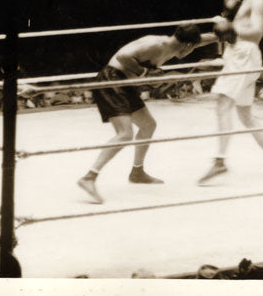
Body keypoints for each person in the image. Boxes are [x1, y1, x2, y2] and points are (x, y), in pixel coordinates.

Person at [77, 24, 218, 203]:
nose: (193, 50)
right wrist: (145, 72)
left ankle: (137, 172)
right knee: (125, 134)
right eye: (193, 48)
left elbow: (201, 40)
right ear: (187, 46)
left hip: (125, 84)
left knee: (148, 125)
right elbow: (123, 56)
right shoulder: (156, 44)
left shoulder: (177, 44)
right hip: (111, 81)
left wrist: (220, 36)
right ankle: (89, 177)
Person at [198, 0, 263, 184]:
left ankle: (219, 161)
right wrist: (230, 21)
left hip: (243, 57)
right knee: (245, 115)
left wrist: (230, 30)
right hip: (242, 57)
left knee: (222, 103)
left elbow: (256, 33)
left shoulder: (260, 0)